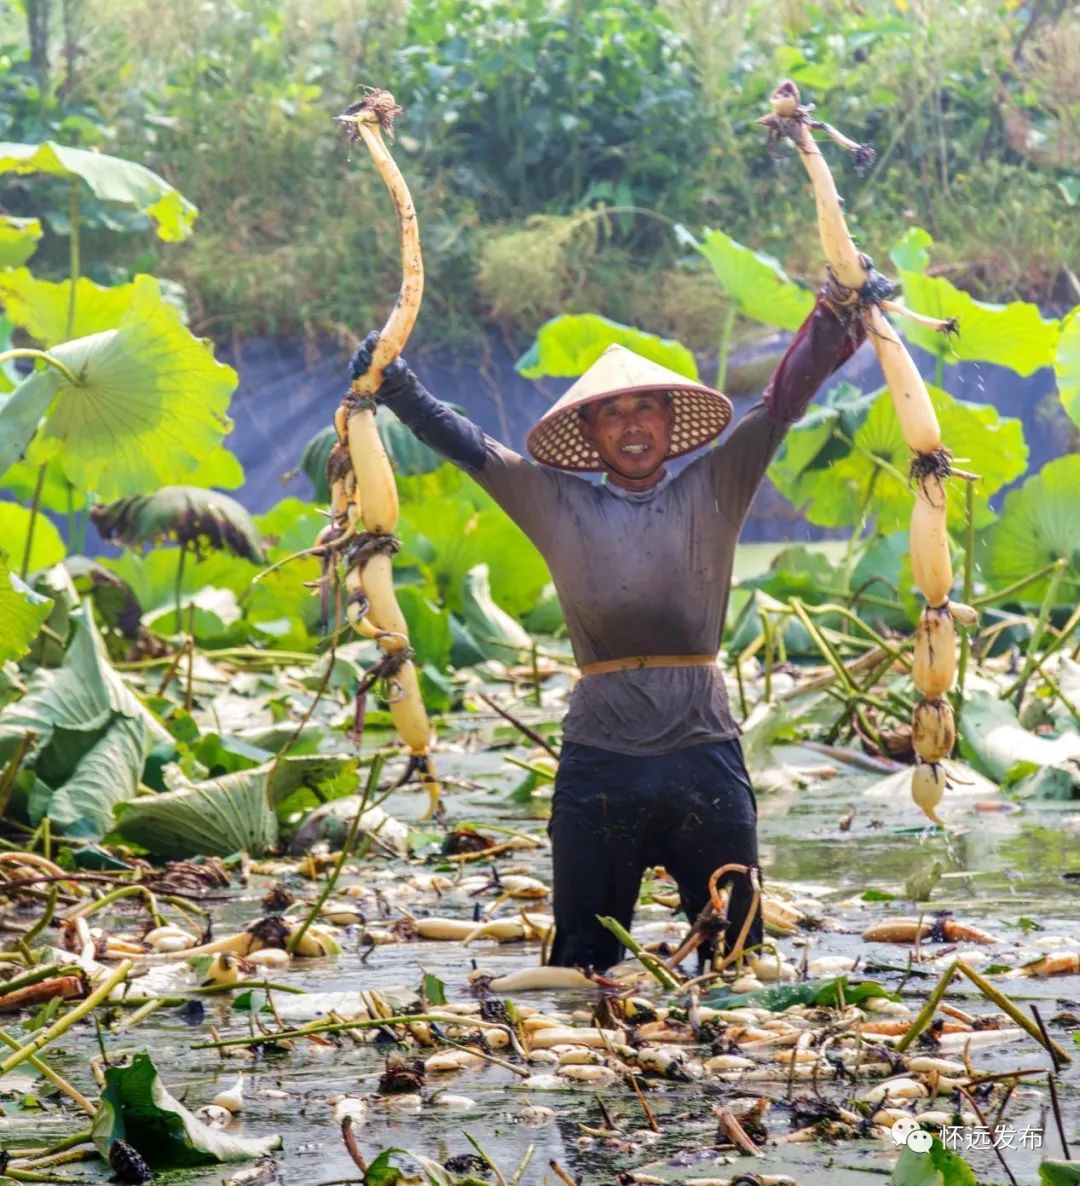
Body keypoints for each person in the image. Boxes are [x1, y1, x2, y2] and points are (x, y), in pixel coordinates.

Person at [350, 283, 865, 972]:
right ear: (590, 435)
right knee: (584, 961)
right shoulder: (552, 501)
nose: (630, 425)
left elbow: (780, 405)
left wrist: (839, 316)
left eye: (644, 408)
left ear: (668, 417)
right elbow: (470, 447)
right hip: (602, 765)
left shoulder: (717, 484)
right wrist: (397, 385)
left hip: (702, 755)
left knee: (737, 958)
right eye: (611, 414)